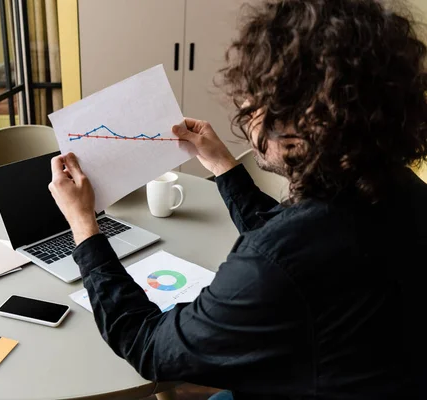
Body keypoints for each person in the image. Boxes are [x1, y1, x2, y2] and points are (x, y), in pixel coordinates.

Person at [48, 0, 427, 398]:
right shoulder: (396, 189)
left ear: (311, 122)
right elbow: (300, 247)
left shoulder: (274, 261)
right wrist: (224, 166)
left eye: (260, 98)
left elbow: (149, 346)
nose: (246, 109)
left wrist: (84, 225)